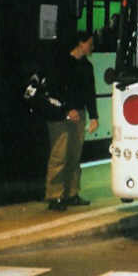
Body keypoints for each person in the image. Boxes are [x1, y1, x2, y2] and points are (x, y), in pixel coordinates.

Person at [44, 31, 99, 211]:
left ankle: (71, 193)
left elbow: (90, 93)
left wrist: (94, 116)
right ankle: (55, 195)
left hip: (79, 115)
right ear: (80, 44)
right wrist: (68, 109)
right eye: (90, 44)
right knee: (59, 155)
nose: (92, 47)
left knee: (75, 155)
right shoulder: (62, 64)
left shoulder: (87, 66)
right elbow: (54, 90)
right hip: (61, 116)